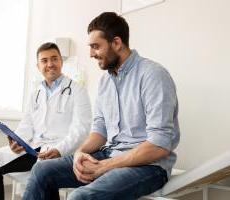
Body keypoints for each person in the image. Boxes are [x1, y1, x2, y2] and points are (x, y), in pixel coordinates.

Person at [22, 12, 180, 200]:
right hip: (109, 154)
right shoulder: (105, 82)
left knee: (78, 197)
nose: (90, 54)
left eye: (95, 47)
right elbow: (100, 131)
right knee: (42, 170)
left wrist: (105, 166)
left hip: (149, 166)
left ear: (116, 43)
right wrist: (81, 152)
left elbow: (159, 145)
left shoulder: (153, 75)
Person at [0, 42, 92, 200]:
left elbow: (82, 129)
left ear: (61, 61)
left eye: (54, 59)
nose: (50, 64)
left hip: (61, 150)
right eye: (44, 60)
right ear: (38, 66)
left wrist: (59, 150)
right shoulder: (36, 93)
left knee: (44, 171)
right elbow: (26, 125)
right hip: (34, 148)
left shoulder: (77, 90)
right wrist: (17, 141)